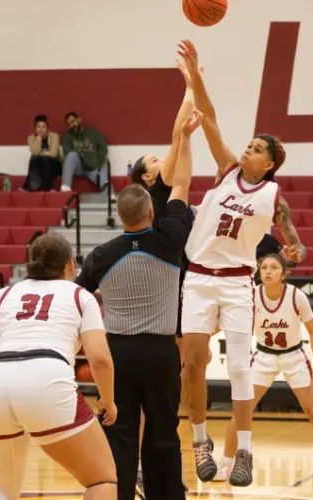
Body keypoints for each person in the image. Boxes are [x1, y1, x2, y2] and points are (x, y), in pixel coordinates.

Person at [177, 39, 307, 487]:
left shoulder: (273, 196)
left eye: (255, 149)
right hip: (197, 278)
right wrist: (195, 77)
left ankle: (245, 451)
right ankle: (200, 442)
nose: (247, 150)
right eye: (248, 145)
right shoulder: (228, 170)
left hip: (236, 283)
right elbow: (210, 118)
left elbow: (291, 234)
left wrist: (294, 248)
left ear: (269, 164)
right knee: (192, 364)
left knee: (238, 367)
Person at [76, 110, 201, 500]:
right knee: (163, 433)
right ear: (150, 212)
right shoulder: (169, 238)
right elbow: (182, 182)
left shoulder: (101, 255)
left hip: (117, 354)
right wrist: (186, 137)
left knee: (120, 433)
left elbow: (76, 297)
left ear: (120, 215)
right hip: (160, 353)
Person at [0, 233, 118, 500]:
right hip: (46, 378)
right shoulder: (80, 296)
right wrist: (108, 400)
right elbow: (100, 359)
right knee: (102, 479)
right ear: (71, 265)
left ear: (29, 263)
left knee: (3, 489)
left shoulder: (8, 293)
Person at [215, 254, 313, 483]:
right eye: (264, 267)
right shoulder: (252, 295)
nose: (268, 271)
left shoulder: (297, 296)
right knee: (242, 411)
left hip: (293, 356)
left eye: (274, 267)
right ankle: (226, 464)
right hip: (263, 356)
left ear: (284, 273)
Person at [60, 112, 109, 192]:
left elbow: (103, 148)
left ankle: (109, 194)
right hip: (79, 168)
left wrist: (97, 162)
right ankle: (65, 188)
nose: (72, 125)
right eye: (69, 124)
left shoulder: (93, 133)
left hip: (93, 167)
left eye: (73, 121)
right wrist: (84, 158)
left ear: (79, 120)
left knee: (105, 162)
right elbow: (68, 153)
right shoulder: (67, 136)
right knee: (71, 155)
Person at [25, 114, 62, 191]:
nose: (41, 129)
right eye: (38, 127)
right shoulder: (31, 138)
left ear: (47, 128)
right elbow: (35, 152)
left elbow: (54, 154)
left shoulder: (54, 136)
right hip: (39, 166)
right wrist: (38, 138)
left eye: (43, 127)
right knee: (34, 158)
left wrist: (42, 153)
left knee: (45, 159)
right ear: (35, 128)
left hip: (54, 165)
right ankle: (34, 185)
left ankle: (46, 187)